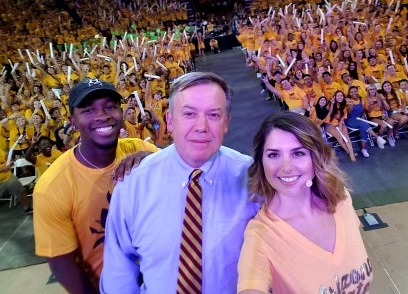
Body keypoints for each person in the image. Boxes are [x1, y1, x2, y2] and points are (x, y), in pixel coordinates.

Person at [100, 72, 259, 293]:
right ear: (170, 121)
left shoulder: (254, 178)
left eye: (213, 115)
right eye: (189, 114)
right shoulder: (133, 184)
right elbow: (119, 269)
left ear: (226, 123)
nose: (201, 126)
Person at [33, 78, 158, 293]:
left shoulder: (139, 148)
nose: (102, 115)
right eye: (88, 110)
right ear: (72, 121)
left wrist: (154, 160)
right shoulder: (52, 188)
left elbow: (183, 173)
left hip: (160, 275)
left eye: (110, 106)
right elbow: (62, 262)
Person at [237, 111, 372, 293]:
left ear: (315, 157)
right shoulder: (260, 236)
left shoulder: (341, 199)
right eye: (273, 155)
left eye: (298, 153)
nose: (286, 167)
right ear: (261, 163)